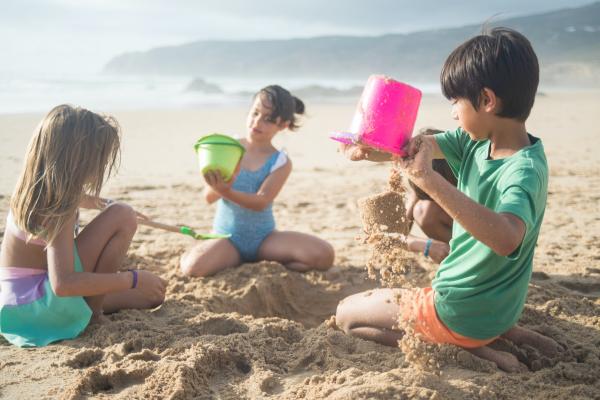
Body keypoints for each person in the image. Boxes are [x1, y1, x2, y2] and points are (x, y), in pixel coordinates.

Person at [335, 28, 562, 372]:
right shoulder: (479, 143)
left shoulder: (522, 172)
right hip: (498, 308)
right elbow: (413, 147)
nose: (454, 114)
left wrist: (430, 180)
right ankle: (502, 332)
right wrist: (371, 150)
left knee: (348, 316)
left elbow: (506, 237)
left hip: (459, 310)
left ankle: (475, 352)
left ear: (487, 100)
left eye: (456, 102)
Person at [0, 105, 166, 347]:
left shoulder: (37, 189)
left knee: (152, 297)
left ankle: (93, 305)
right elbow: (63, 283)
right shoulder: (59, 208)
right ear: (79, 161)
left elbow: (81, 197)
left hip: (17, 307)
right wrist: (132, 278)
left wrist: (104, 204)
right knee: (123, 214)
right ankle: (94, 314)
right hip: (41, 308)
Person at [181, 85, 334, 277]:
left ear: (283, 125)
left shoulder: (280, 161)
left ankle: (256, 264)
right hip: (227, 239)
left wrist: (227, 191)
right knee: (192, 268)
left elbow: (261, 202)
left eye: (268, 119)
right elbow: (208, 197)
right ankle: (221, 255)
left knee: (324, 255)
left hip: (265, 240)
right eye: (255, 113)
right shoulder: (230, 149)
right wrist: (218, 188)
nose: (257, 122)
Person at [403, 128, 455, 264]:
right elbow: (394, 235)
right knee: (423, 211)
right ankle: (453, 254)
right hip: (452, 240)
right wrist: (426, 245)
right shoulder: (423, 181)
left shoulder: (466, 174)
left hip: (482, 235)